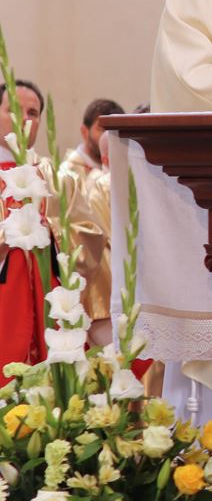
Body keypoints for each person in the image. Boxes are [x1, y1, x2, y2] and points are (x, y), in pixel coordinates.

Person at [59, 99, 123, 347]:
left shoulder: (112, 172)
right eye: (101, 128)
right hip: (95, 283)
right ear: (84, 131)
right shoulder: (68, 174)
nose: (107, 135)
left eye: (113, 130)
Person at [1, 80, 48, 371]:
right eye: (15, 110)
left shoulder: (53, 176)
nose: (26, 120)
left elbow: (84, 241)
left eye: (34, 113)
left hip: (45, 313)